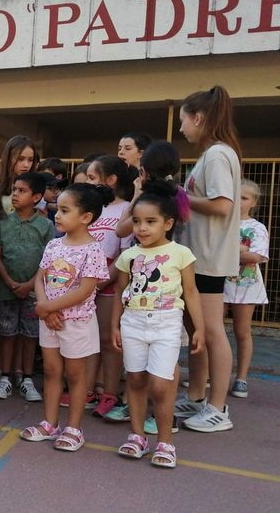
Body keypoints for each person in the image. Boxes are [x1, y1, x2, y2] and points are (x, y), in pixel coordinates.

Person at [111, 180, 205, 468]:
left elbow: (190, 292)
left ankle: (165, 442)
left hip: (166, 324)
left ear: (168, 223)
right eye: (137, 221)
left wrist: (199, 327)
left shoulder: (181, 254)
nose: (142, 228)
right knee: (136, 380)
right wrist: (114, 325)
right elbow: (120, 292)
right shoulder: (128, 255)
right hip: (133, 323)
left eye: (150, 222)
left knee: (161, 386)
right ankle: (137, 436)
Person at [20, 184, 110, 452]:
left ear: (86, 217)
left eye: (64, 210)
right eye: (57, 209)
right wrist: (45, 308)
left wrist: (47, 308)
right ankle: (49, 423)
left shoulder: (93, 249)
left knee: (75, 374)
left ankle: (74, 428)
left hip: (76, 321)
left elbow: (85, 290)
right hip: (50, 319)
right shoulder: (53, 245)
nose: (56, 214)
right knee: (51, 370)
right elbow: (41, 279)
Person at [175, 85, 241, 433]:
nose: (182, 128)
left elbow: (222, 204)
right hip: (198, 257)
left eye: (184, 120)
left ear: (198, 117)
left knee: (212, 331)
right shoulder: (212, 154)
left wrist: (180, 198)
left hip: (210, 258)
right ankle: (197, 395)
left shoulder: (217, 154)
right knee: (196, 329)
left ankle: (218, 406)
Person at [0, 172, 55, 401]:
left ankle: (27, 378)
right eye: (14, 190)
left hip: (34, 291)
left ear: (37, 196)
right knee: (7, 333)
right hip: (6, 288)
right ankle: (6, 377)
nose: (15, 195)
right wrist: (9, 281)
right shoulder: (3, 224)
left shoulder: (46, 226)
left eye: (22, 191)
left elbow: (48, 260)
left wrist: (30, 284)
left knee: (30, 335)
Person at [84, 155, 136, 418]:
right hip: (83, 284)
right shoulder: (89, 207)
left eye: (93, 178)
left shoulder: (125, 209)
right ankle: (88, 389)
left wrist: (104, 279)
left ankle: (109, 392)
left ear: (111, 180)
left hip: (107, 284)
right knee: (89, 341)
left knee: (108, 341)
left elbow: (123, 254)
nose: (89, 182)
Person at [224, 179, 269, 399]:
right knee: (215, 331)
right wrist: (241, 248)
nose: (239, 202)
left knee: (242, 332)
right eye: (236, 196)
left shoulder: (257, 227)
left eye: (244, 198)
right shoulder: (221, 222)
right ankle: (210, 376)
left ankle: (241, 378)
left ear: (253, 202)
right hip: (219, 283)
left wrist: (231, 248)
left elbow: (256, 256)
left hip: (245, 284)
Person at [0, 135, 40, 214]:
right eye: (20, 159)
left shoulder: (37, 187)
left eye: (30, 160)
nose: (26, 165)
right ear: (8, 158)